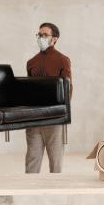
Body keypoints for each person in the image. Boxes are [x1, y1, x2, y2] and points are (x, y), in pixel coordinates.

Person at [25, 22, 72, 174]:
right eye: (39, 35)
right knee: (32, 159)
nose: (41, 37)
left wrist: (61, 111)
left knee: (55, 162)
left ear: (55, 39)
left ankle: (57, 193)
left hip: (54, 117)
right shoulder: (31, 62)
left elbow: (68, 88)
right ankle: (29, 194)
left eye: (45, 35)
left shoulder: (63, 60)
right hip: (34, 118)